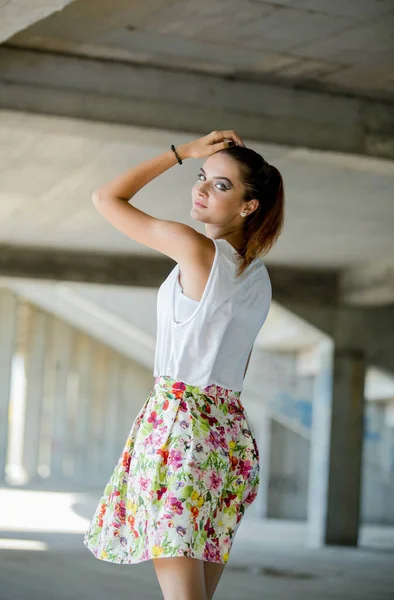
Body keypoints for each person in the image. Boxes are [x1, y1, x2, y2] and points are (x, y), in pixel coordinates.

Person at [83, 130, 285, 600]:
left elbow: (105, 197)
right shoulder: (257, 276)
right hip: (228, 437)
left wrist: (183, 152)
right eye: (201, 176)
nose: (199, 188)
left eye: (220, 185)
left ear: (247, 207)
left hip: (182, 431)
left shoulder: (196, 249)